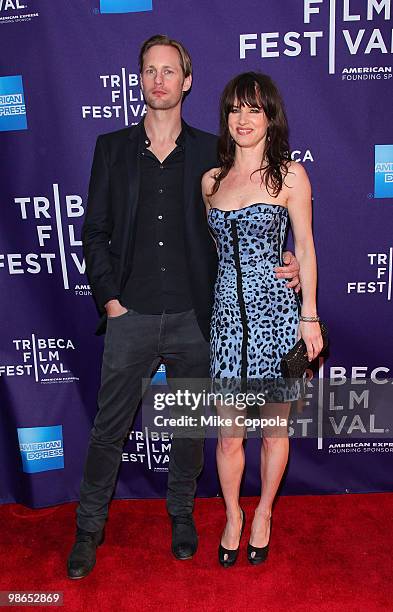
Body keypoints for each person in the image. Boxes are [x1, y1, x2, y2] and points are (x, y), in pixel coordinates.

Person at [67, 37, 301, 579]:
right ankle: (88, 527)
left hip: (199, 320)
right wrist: (111, 300)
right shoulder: (111, 148)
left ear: (187, 81)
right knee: (109, 429)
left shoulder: (211, 155)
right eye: (150, 71)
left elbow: (242, 218)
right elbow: (94, 232)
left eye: (169, 71)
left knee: (191, 429)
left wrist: (283, 257)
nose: (159, 80)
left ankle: (182, 517)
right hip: (132, 317)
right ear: (140, 80)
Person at [202, 72, 323, 567]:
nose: (243, 119)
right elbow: (215, 254)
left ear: (271, 116)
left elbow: (306, 249)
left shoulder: (290, 175)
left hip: (277, 319)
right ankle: (233, 514)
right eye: (235, 109)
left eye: (254, 109)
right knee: (230, 435)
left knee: (275, 432)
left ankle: (265, 512)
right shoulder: (209, 181)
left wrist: (309, 317)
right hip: (227, 321)